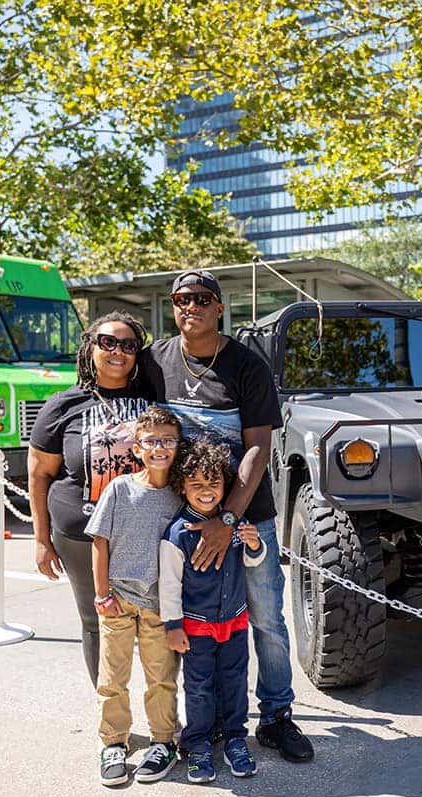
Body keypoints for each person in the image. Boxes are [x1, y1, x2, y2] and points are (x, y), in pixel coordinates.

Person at [138, 269, 315, 763]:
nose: (189, 306)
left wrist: (229, 521)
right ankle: (202, 722)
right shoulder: (156, 361)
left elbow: (258, 448)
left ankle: (277, 716)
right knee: (185, 622)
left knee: (264, 621)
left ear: (219, 307)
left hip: (245, 517)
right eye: (180, 298)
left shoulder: (246, 365)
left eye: (200, 298)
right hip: (181, 521)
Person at [28, 311, 152, 687]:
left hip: (146, 532)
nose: (118, 351)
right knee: (96, 620)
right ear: (90, 349)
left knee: (157, 622)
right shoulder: (62, 406)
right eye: (108, 342)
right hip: (80, 533)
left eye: (128, 345)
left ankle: (165, 714)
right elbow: (39, 474)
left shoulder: (153, 399)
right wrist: (40, 540)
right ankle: (112, 715)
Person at [88, 406, 185, 786]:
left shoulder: (181, 496)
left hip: (159, 606)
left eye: (167, 440)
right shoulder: (120, 488)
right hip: (118, 601)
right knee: (112, 678)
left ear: (177, 446)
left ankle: (163, 742)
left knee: (161, 679)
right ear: (137, 447)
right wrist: (101, 595)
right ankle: (113, 742)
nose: (159, 448)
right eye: (151, 441)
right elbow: (99, 541)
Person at [160, 439, 266, 783]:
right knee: (200, 687)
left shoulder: (235, 521)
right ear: (183, 487)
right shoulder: (176, 534)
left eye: (214, 484)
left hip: (235, 621)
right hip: (197, 628)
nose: (207, 492)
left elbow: (253, 561)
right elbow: (170, 585)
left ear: (226, 484)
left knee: (235, 683)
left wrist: (254, 543)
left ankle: (236, 739)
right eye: (197, 485)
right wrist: (173, 625)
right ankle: (199, 744)